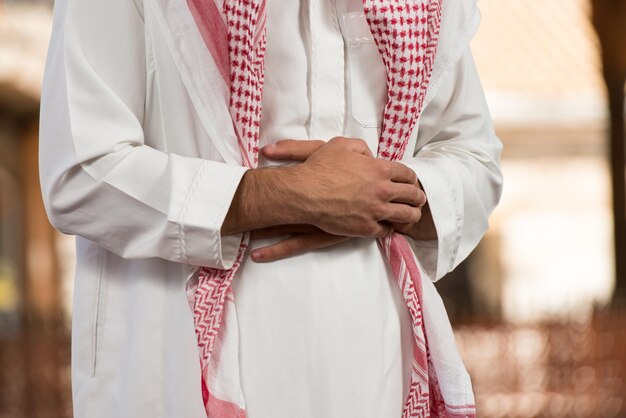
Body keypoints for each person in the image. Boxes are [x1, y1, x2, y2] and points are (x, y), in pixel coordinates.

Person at [38, 0, 503, 417]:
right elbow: (81, 170)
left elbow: (474, 160)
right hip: (178, 365)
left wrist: (379, 200)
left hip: (376, 362)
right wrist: (290, 196)